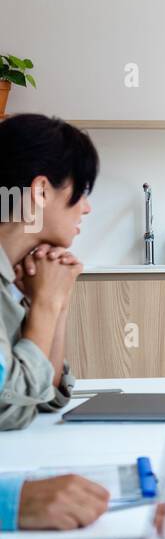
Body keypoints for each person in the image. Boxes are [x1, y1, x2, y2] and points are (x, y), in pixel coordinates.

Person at [0, 113, 98, 429]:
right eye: (82, 190)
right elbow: (9, 408)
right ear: (41, 191)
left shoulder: (13, 276)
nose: (86, 208)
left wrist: (57, 298)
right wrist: (45, 305)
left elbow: (45, 396)